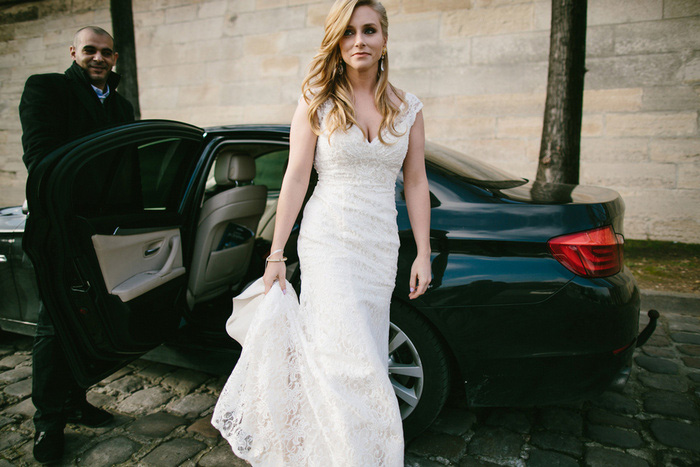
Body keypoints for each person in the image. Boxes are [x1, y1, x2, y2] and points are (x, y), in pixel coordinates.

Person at [212, 0, 431, 465]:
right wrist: (275, 255)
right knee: (340, 357)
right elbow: (295, 177)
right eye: (348, 32)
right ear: (337, 40)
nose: (359, 41)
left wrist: (423, 253)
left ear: (384, 39)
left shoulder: (408, 107)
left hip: (379, 245)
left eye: (369, 30)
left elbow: (415, 182)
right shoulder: (318, 99)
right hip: (328, 239)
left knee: (368, 351)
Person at [19, 26, 134, 464]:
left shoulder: (122, 106)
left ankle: (74, 399)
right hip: (61, 229)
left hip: (105, 230)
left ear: (115, 57)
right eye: (90, 50)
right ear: (74, 52)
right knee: (55, 325)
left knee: (89, 319)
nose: (99, 58)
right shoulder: (47, 89)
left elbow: (128, 169)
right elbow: (40, 157)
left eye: (106, 53)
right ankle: (48, 422)